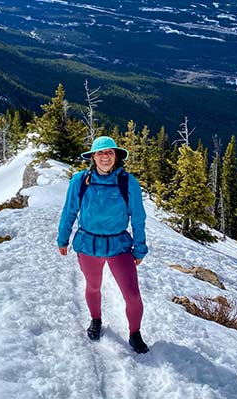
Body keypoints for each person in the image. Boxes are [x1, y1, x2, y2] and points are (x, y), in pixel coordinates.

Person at [57, 136, 149, 354]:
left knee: (132, 295)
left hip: (119, 245)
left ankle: (135, 333)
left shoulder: (128, 182)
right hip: (88, 245)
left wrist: (140, 247)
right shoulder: (79, 181)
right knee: (93, 286)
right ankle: (95, 319)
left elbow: (138, 218)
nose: (105, 157)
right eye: (100, 153)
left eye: (109, 152)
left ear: (116, 156)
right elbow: (69, 211)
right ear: (93, 157)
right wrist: (63, 238)